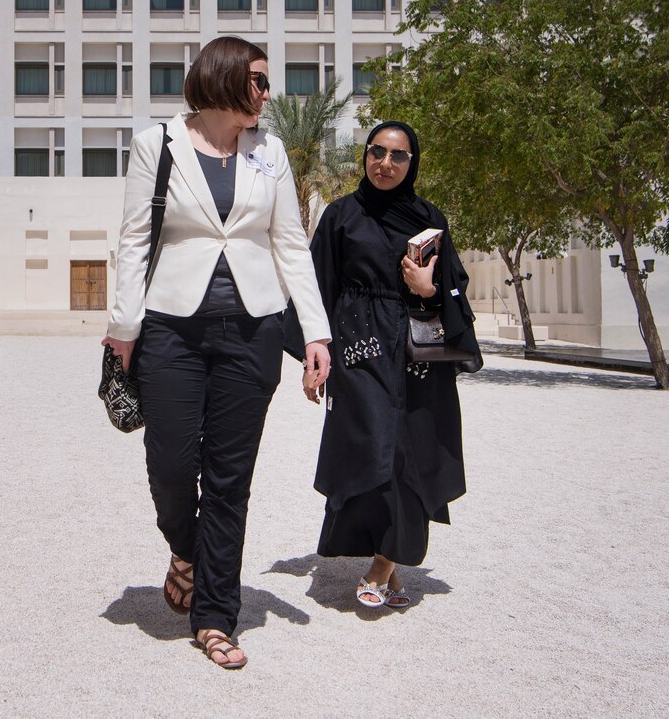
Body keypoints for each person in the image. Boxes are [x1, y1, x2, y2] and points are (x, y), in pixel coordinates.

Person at [101, 36, 331, 669]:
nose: (267, 93)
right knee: (172, 463)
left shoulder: (270, 152)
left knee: (230, 481)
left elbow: (290, 244)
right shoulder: (158, 145)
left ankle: (215, 616)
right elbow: (133, 239)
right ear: (225, 79)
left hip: (253, 331)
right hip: (171, 329)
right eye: (258, 80)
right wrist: (124, 326)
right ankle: (185, 548)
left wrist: (315, 332)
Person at [286, 120, 481, 609]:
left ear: (412, 164)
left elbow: (454, 288)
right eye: (377, 152)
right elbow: (316, 289)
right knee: (369, 448)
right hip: (359, 350)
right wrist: (313, 355)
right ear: (365, 156)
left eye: (398, 156)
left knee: (407, 452)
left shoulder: (428, 219)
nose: (385, 163)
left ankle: (383, 563)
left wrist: (427, 289)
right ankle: (389, 561)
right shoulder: (340, 216)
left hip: (417, 354)